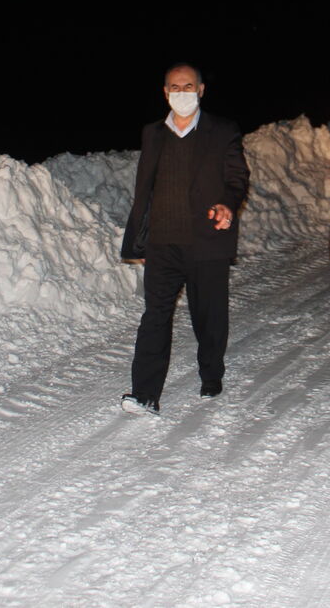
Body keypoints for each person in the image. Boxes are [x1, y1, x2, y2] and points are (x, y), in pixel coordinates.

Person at [120, 63, 250, 415]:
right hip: (163, 242)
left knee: (207, 315)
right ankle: (145, 394)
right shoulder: (152, 133)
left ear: (201, 90)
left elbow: (237, 179)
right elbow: (144, 188)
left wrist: (228, 204)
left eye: (188, 86)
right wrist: (140, 237)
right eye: (174, 87)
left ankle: (211, 372)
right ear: (165, 92)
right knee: (155, 316)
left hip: (206, 240)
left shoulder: (222, 131)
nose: (181, 93)